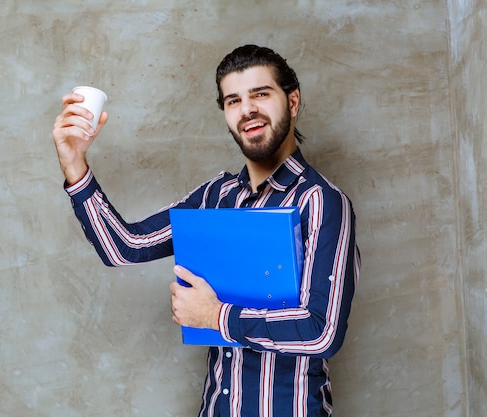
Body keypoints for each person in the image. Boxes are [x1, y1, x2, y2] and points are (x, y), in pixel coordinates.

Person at [52, 44, 360, 417]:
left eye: (261, 94)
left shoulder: (322, 201)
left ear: (292, 102)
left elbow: (322, 331)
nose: (247, 110)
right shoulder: (216, 195)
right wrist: (74, 164)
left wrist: (216, 317)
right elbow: (125, 247)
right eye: (233, 100)